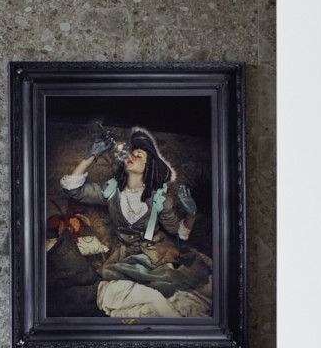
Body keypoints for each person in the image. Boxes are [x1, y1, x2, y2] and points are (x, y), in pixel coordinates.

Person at [59, 126, 211, 318]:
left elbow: (178, 232)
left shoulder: (160, 199)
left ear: (149, 166)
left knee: (169, 289)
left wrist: (191, 214)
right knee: (118, 289)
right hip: (124, 258)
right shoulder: (111, 191)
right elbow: (73, 190)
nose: (132, 156)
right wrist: (91, 156)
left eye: (139, 155)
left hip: (157, 255)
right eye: (131, 153)